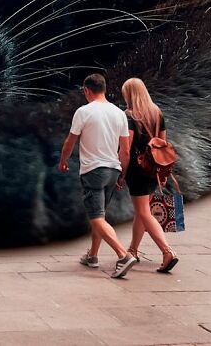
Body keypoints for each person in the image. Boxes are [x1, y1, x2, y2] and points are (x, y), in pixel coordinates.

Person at [58, 73, 137, 278]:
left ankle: (123, 255)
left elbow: (70, 141)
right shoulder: (119, 114)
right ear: (104, 88)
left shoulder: (83, 112)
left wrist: (63, 160)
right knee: (99, 215)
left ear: (86, 90)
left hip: (93, 170)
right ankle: (92, 256)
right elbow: (126, 150)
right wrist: (122, 174)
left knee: (96, 218)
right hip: (113, 170)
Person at [120, 77, 179, 273]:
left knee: (144, 212)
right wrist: (162, 172)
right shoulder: (157, 113)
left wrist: (122, 174)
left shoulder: (128, 115)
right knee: (141, 211)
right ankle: (133, 250)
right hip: (153, 168)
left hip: (137, 170)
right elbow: (162, 144)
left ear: (130, 95)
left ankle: (167, 251)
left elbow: (126, 149)